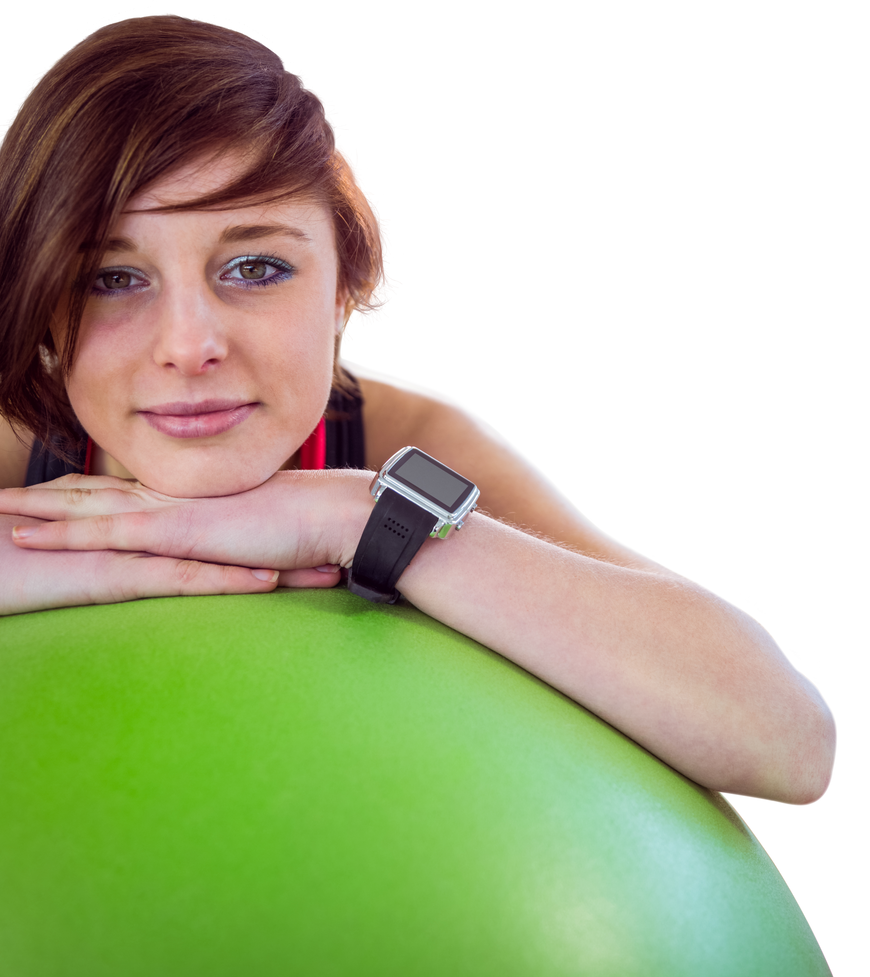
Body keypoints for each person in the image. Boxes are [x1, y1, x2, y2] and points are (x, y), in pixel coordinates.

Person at [0, 11, 837, 808]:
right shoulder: (13, 453)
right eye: (110, 279)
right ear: (36, 305)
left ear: (341, 289)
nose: (188, 346)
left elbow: (788, 745)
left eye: (256, 268)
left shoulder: (411, 444)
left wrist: (361, 517)